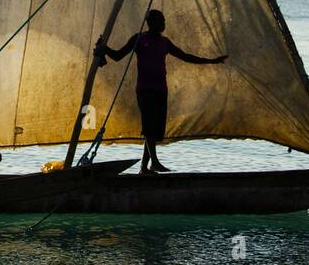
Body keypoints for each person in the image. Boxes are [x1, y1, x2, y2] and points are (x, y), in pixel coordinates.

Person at [95, 10, 226, 174]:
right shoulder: (139, 39)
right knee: (149, 127)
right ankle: (155, 162)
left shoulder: (165, 42)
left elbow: (185, 56)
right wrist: (104, 48)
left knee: (155, 130)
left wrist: (211, 61)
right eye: (161, 21)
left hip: (160, 90)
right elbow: (118, 56)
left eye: (164, 21)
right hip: (145, 90)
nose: (164, 24)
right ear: (152, 23)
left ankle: (144, 168)